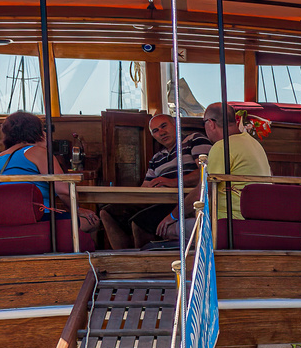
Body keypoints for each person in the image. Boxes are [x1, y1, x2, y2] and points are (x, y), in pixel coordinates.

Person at [156, 102, 271, 239]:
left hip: (228, 223)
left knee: (168, 229)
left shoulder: (222, 147)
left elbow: (203, 191)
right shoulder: (253, 143)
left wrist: (173, 216)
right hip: (256, 220)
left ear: (211, 123)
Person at [0, 110, 100, 242]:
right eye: (42, 130)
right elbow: (64, 191)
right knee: (91, 220)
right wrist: (77, 210)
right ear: (37, 132)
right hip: (34, 219)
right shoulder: (38, 152)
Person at [100, 113, 210, 248]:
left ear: (176, 125)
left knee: (140, 221)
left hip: (185, 199)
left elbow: (206, 173)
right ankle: (125, 260)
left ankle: (145, 264)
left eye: (164, 126)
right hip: (157, 200)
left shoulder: (195, 139)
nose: (161, 132)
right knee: (107, 212)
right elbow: (145, 186)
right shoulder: (157, 158)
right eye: (155, 131)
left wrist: (172, 182)